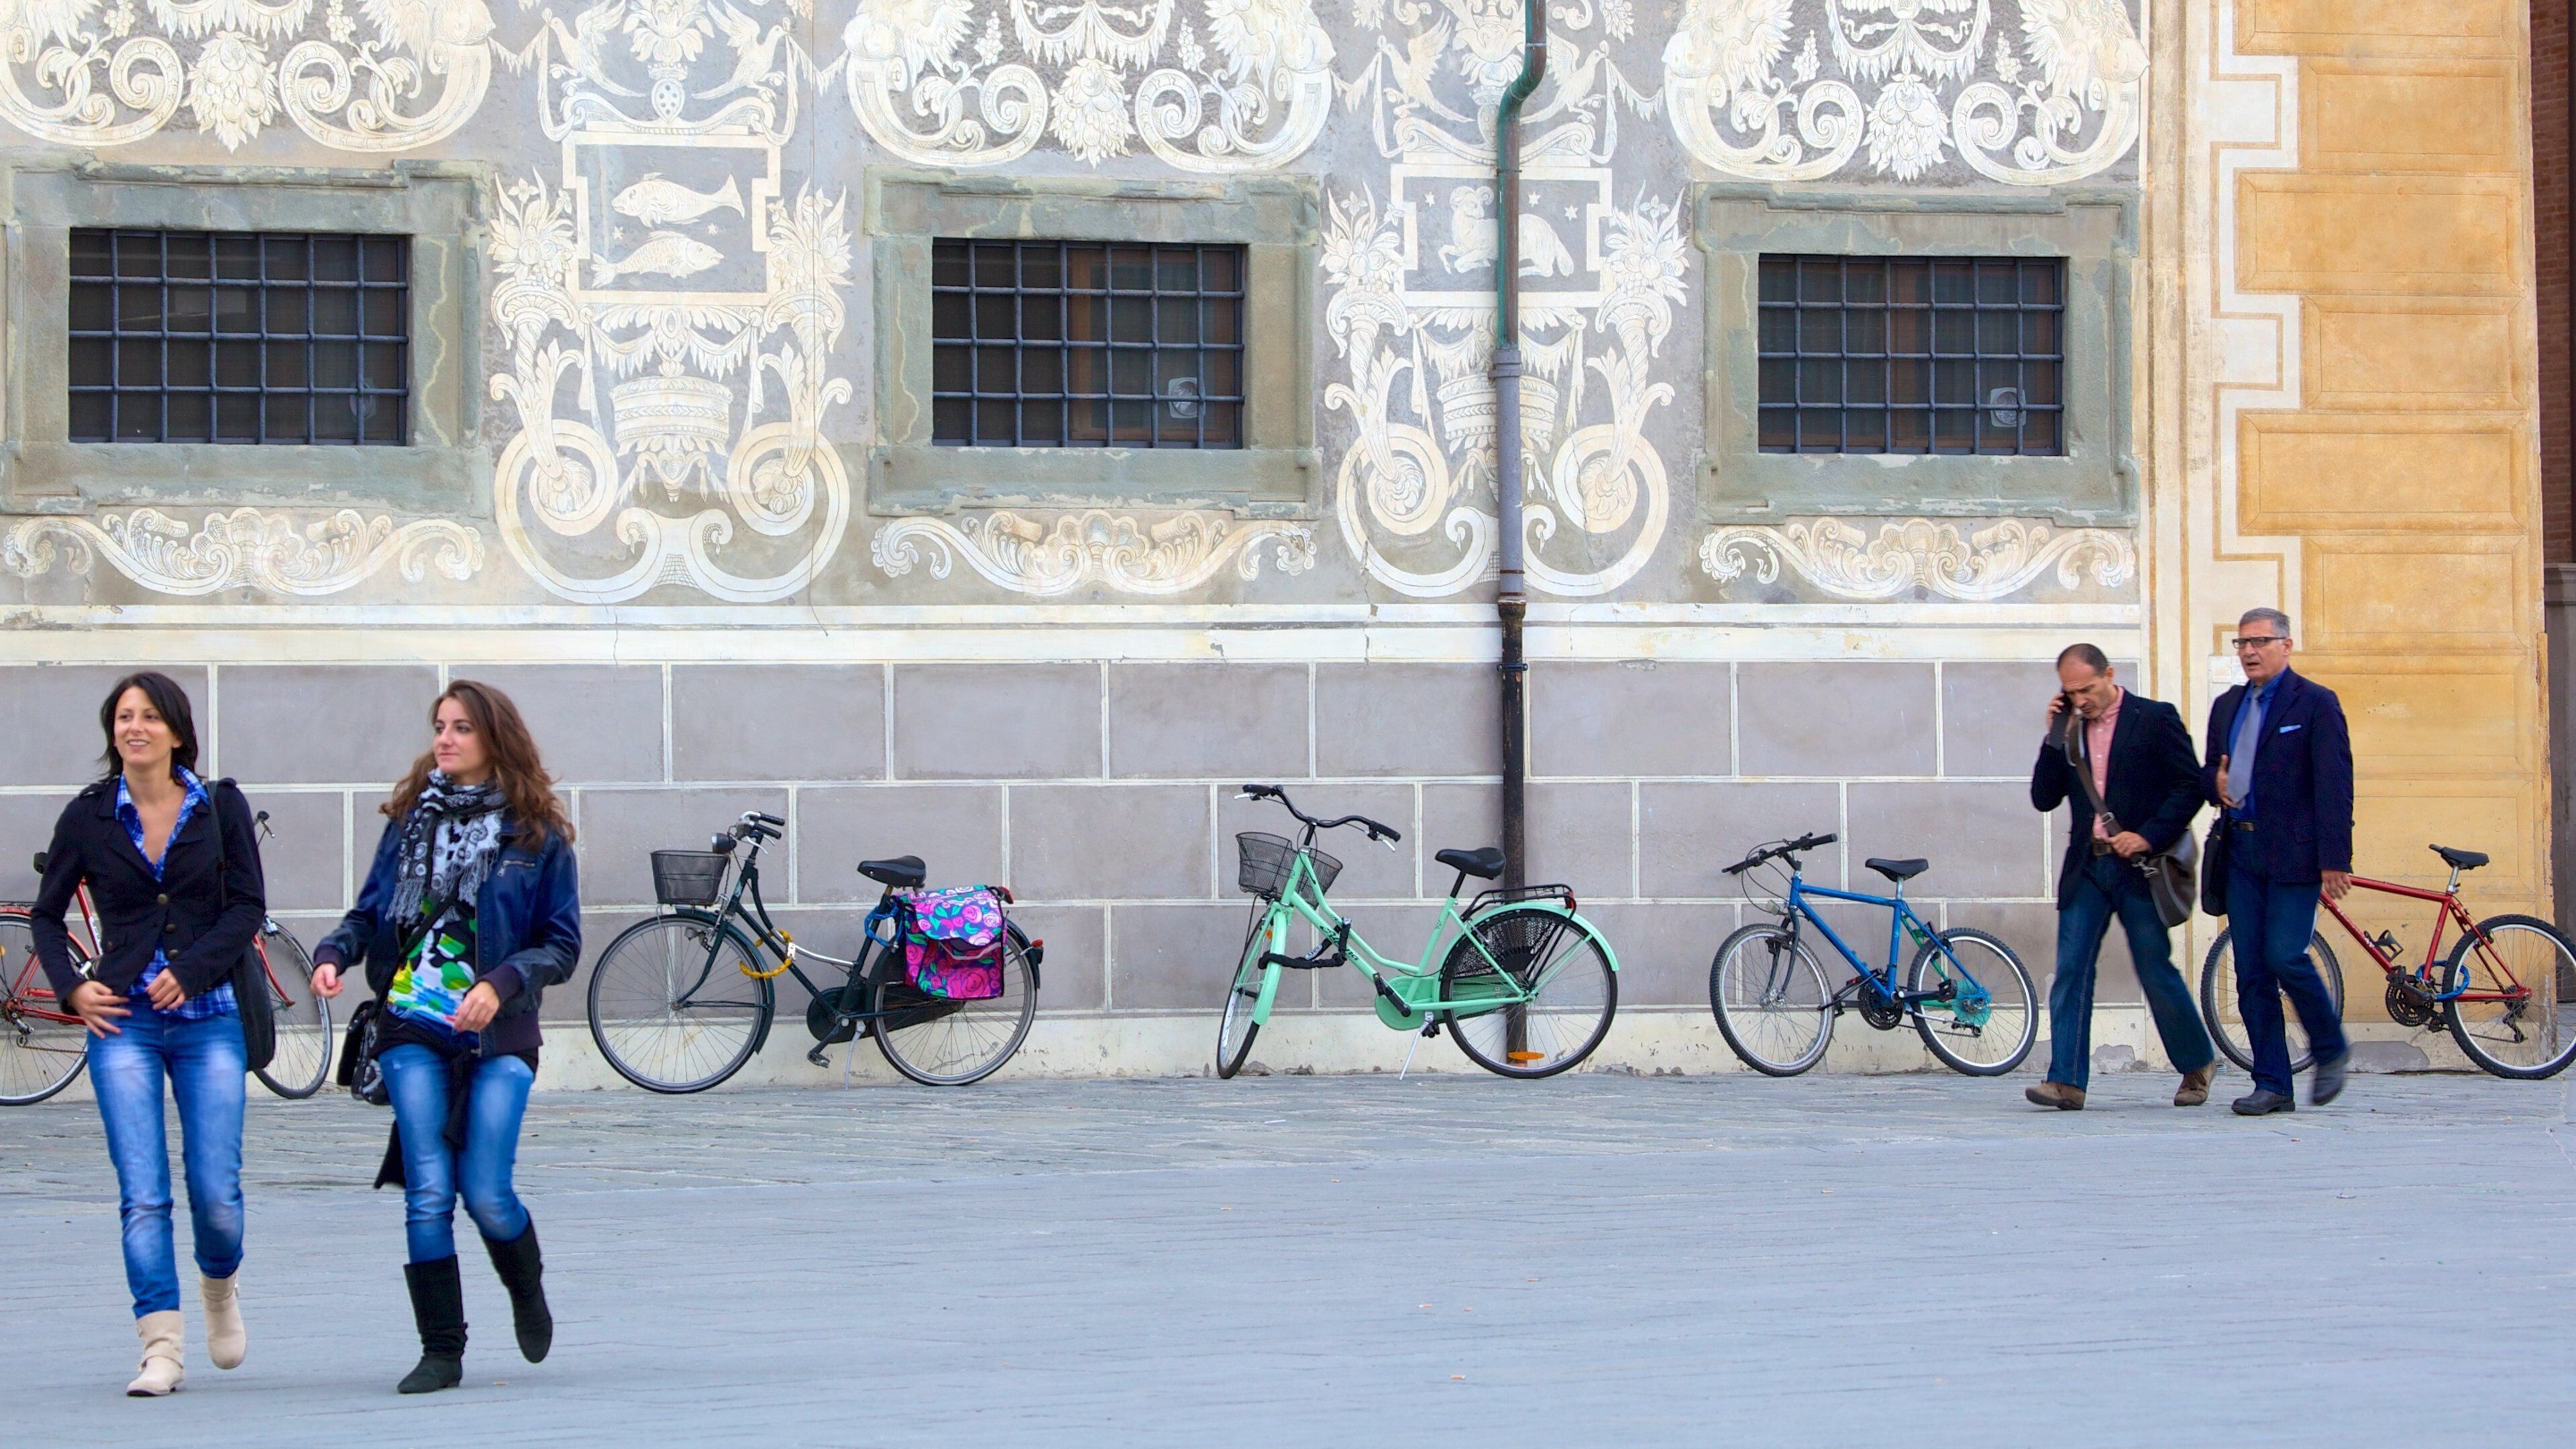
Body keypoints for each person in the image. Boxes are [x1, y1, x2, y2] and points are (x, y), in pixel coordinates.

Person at [311, 680, 580, 1394]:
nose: (446, 738)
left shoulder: (537, 836)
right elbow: (369, 912)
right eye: (439, 726)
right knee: (429, 1188)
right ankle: (442, 1350)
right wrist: (334, 953)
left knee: (486, 1191)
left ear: (495, 737)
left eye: (461, 727)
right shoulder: (409, 822)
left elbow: (562, 943)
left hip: (500, 1035)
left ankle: (525, 1288)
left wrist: (500, 983)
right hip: (412, 1022)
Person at [31, 672, 266, 1395]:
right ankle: (160, 1347)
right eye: (124, 717)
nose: (135, 727)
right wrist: (72, 984)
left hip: (209, 1019)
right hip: (124, 1023)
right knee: (142, 1192)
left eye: (149, 717)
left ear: (176, 732)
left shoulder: (218, 806)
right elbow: (46, 916)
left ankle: (219, 1288)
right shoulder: (89, 815)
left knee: (216, 1191)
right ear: (114, 733)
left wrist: (192, 971)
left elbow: (247, 908)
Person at [2025, 646, 2220, 1110]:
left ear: (2108, 675)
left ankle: (2197, 1062)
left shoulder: (2154, 719)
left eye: (2087, 689)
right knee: (2071, 969)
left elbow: (2189, 785)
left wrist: (2148, 836)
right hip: (2087, 867)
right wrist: (2054, 737)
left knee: (2154, 968)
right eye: (2071, 692)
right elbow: (2043, 798)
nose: (2081, 700)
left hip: (2138, 868)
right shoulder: (2069, 729)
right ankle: (2067, 1081)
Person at [2202, 608, 2354, 1115]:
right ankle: (2273, 1083)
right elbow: (2210, 773)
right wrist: (2214, 786)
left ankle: (2330, 1048)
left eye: (2260, 641)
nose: (2249, 651)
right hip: (2240, 851)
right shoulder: (2226, 706)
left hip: (2294, 855)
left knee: (2285, 955)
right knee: (2250, 970)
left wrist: (2335, 859)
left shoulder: (2315, 704)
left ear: (2286, 646)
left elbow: (2335, 786)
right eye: (2242, 642)